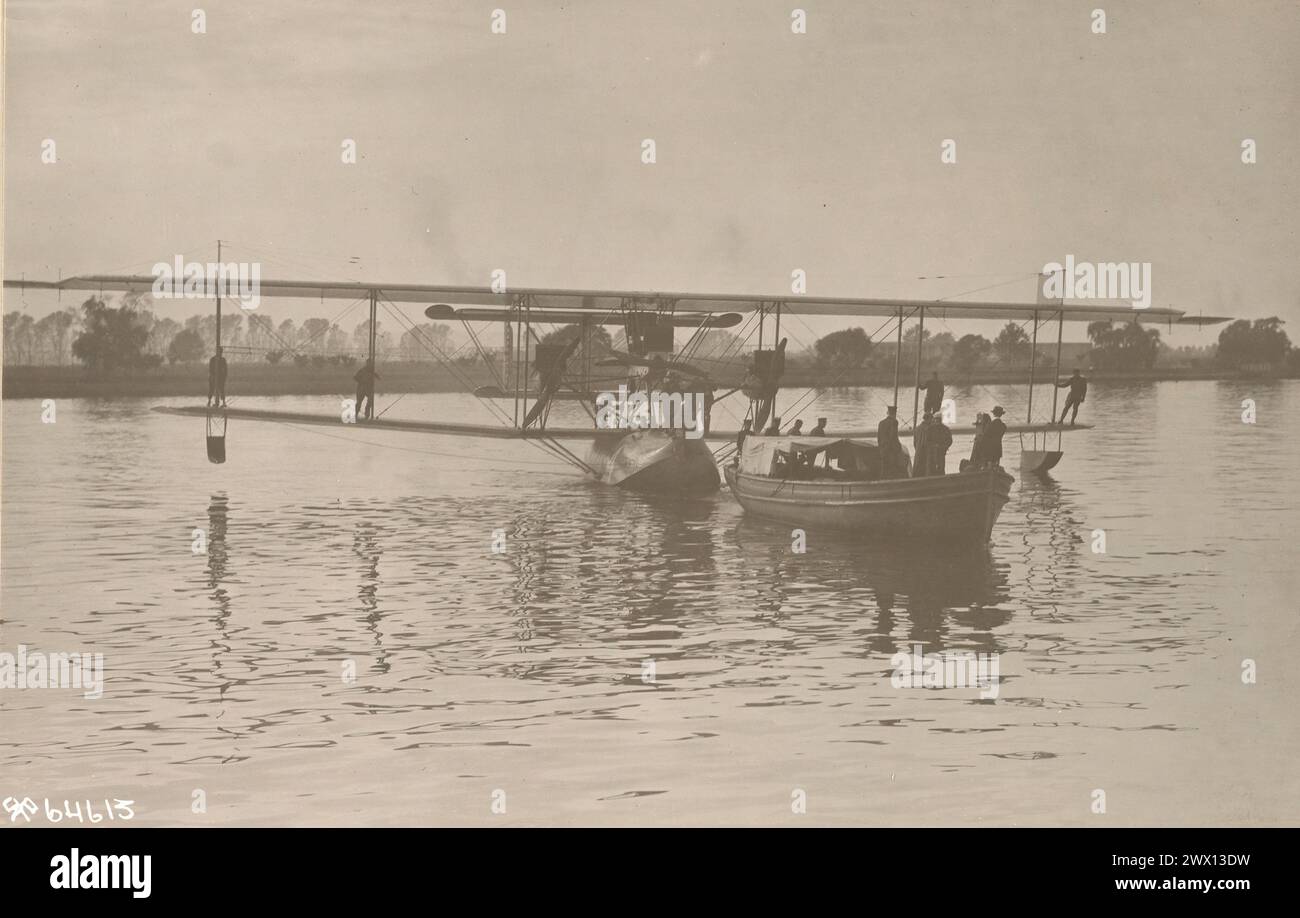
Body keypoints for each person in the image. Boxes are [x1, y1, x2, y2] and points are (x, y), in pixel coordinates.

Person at [876, 406, 904, 478]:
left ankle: (882, 481)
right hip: (891, 450)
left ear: (888, 413)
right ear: (894, 413)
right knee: (893, 468)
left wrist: (881, 448)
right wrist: (898, 447)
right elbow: (893, 437)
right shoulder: (894, 422)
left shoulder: (881, 423)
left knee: (884, 468)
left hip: (883, 449)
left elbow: (879, 437)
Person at [912, 411, 933, 478]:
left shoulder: (917, 428)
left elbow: (914, 442)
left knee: (917, 469)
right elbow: (929, 441)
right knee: (926, 470)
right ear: (929, 419)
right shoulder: (929, 429)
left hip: (918, 451)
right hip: (926, 452)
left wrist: (917, 448)